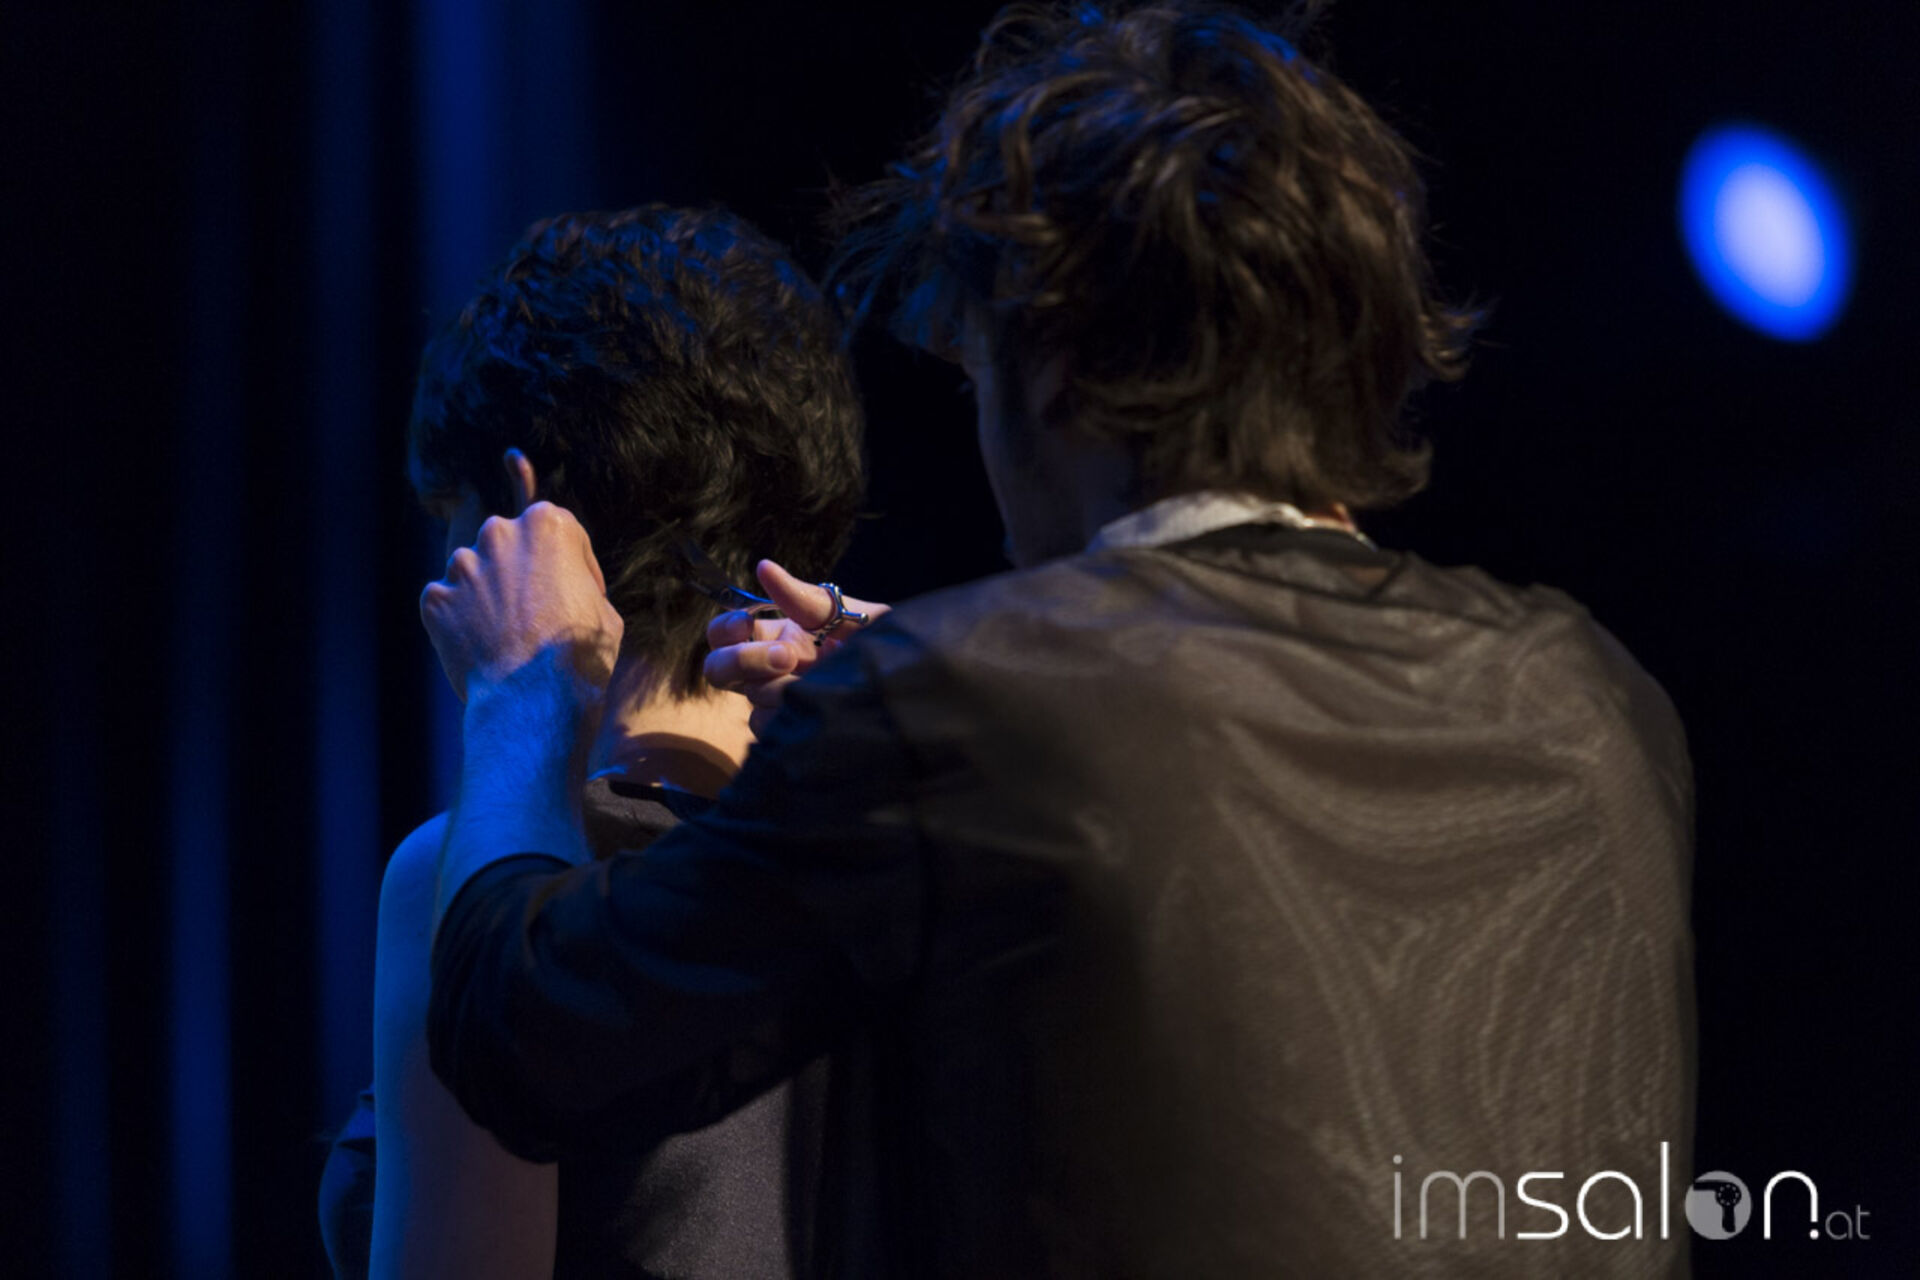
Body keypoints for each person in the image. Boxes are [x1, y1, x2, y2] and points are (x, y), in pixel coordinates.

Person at [418, 5, 1695, 1275]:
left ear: (1052, 370)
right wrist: (952, 694)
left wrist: (527, 692)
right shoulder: (1594, 694)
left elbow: (528, 1038)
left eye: (977, 373)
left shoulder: (966, 711)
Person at [317, 204, 866, 1278]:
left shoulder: (472, 887)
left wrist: (515, 702)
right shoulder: (916, 838)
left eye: (451, 515)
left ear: (524, 514)